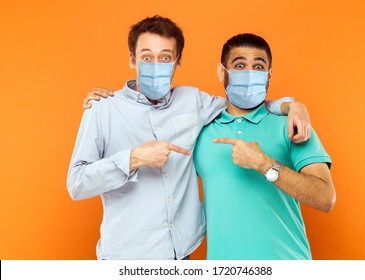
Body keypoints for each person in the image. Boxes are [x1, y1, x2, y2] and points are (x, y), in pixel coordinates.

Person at [69, 15, 311, 260]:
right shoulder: (102, 109)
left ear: (177, 62)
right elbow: (76, 184)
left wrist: (292, 105)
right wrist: (133, 158)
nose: (156, 64)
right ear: (133, 60)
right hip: (126, 256)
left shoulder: (192, 100)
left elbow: (243, 101)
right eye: (146, 57)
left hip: (182, 254)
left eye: (165, 57)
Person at [193, 33, 336, 260]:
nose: (249, 74)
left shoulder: (291, 126)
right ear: (223, 72)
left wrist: (264, 163)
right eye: (239, 65)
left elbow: (325, 198)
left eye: (258, 67)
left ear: (269, 76)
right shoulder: (200, 132)